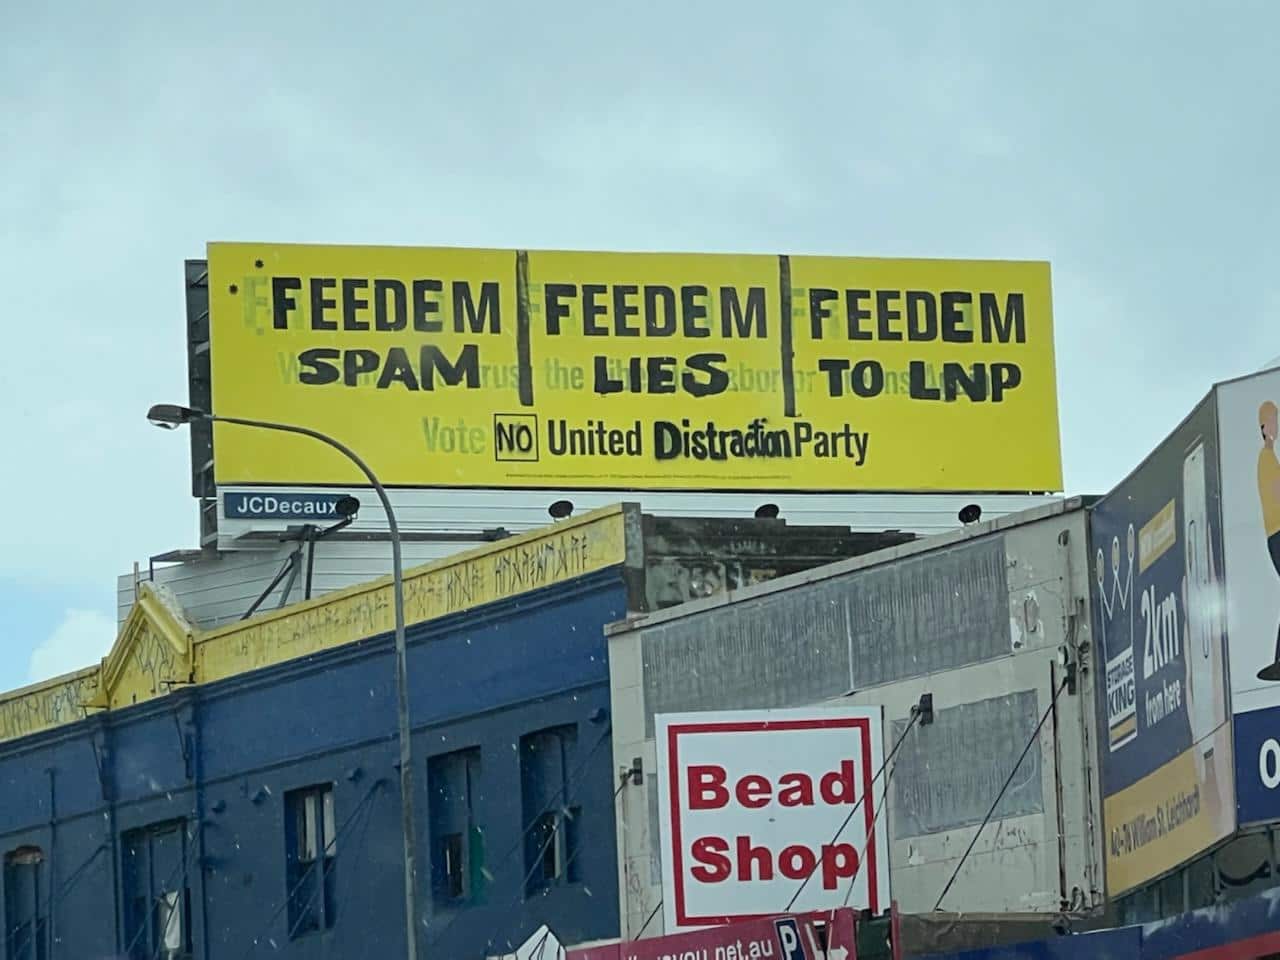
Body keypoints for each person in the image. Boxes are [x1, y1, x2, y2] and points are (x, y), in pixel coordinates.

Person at [1256, 401, 1280, 680]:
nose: (1276, 426)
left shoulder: (1270, 459)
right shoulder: (1266, 460)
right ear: (1264, 427)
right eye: (1272, 421)